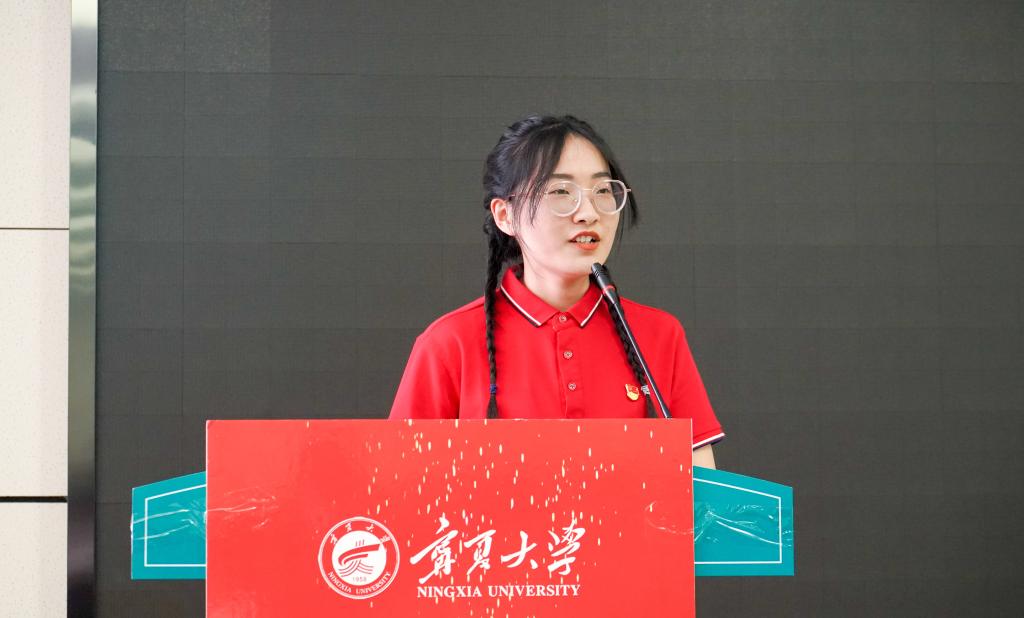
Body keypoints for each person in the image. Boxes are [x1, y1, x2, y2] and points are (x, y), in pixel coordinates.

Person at [389, 115, 723, 468]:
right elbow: (401, 484)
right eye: (561, 192)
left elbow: (701, 487)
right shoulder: (448, 343)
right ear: (505, 215)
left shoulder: (659, 334)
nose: (588, 213)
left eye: (603, 190)